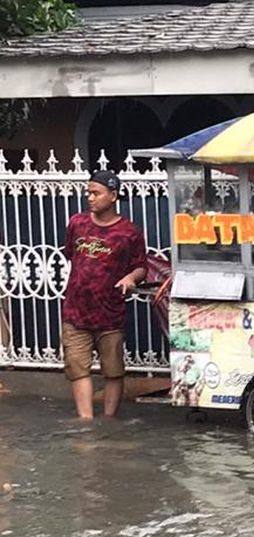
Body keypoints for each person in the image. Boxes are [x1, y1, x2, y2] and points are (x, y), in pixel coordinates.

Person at [61, 170, 148, 419]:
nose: (90, 198)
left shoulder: (129, 232)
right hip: (75, 312)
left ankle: (109, 421)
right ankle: (86, 422)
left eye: (96, 193)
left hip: (110, 314)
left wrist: (130, 278)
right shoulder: (77, 223)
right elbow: (71, 254)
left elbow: (141, 266)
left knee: (113, 370)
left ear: (113, 196)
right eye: (88, 192)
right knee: (78, 368)